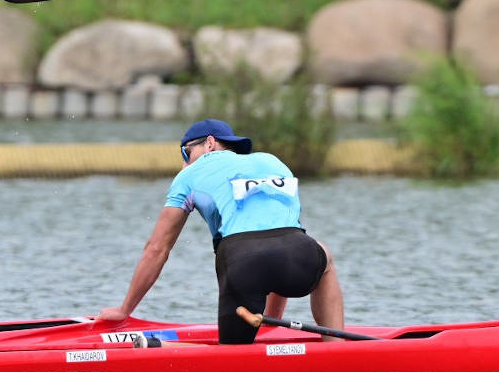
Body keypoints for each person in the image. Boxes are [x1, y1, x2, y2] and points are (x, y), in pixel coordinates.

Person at [97, 119, 345, 344]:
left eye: (186, 152)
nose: (184, 162)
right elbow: (280, 233)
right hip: (298, 253)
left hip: (241, 262)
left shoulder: (189, 174)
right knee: (323, 255)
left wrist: (124, 310)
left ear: (209, 144)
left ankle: (170, 349)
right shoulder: (272, 161)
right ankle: (337, 347)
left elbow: (157, 248)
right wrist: (271, 323)